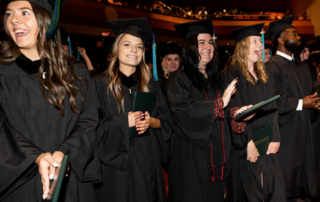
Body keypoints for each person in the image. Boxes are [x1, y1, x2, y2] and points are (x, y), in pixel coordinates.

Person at [0, 0, 101, 201]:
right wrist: (35, 156)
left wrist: (65, 152)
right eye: (9, 14)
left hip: (69, 177)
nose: (14, 20)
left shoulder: (75, 71)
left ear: (46, 21)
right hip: (19, 179)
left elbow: (89, 121)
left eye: (24, 13)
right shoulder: (3, 73)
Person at [166, 19, 252, 202]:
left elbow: (224, 117)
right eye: (201, 43)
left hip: (220, 158)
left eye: (210, 42)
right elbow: (183, 111)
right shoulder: (179, 79)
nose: (207, 47)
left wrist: (238, 116)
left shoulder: (217, 80)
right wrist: (219, 104)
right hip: (192, 159)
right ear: (190, 48)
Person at [94, 17, 174, 202]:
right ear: (116, 48)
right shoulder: (99, 84)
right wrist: (123, 123)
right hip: (116, 167)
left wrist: (152, 122)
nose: (134, 51)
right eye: (127, 44)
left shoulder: (151, 85)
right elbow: (91, 128)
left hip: (148, 161)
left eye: (139, 47)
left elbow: (167, 120)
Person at [222, 23, 287, 202]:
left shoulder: (264, 74)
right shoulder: (231, 75)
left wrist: (276, 137)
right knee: (252, 192)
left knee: (273, 189)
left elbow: (273, 108)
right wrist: (248, 141)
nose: (260, 46)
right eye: (255, 41)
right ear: (243, 46)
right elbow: (234, 111)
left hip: (267, 142)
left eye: (261, 42)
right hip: (248, 146)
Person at [265, 15, 320, 201]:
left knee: (300, 186)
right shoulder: (271, 67)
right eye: (293, 33)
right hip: (285, 136)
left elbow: (309, 95)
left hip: (304, 134)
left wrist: (316, 100)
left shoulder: (302, 67)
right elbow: (273, 100)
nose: (298, 37)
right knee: (285, 188)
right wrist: (301, 103)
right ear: (280, 40)